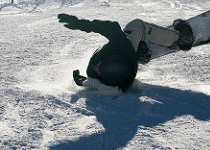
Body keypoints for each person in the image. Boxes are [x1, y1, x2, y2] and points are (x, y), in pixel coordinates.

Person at [58, 14, 194, 92]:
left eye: (100, 68)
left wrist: (83, 81)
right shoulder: (120, 47)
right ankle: (181, 38)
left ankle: (142, 49)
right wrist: (81, 24)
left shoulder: (96, 70)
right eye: (101, 68)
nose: (96, 68)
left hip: (127, 53)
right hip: (127, 53)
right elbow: (108, 27)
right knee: (136, 25)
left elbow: (110, 27)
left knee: (134, 31)